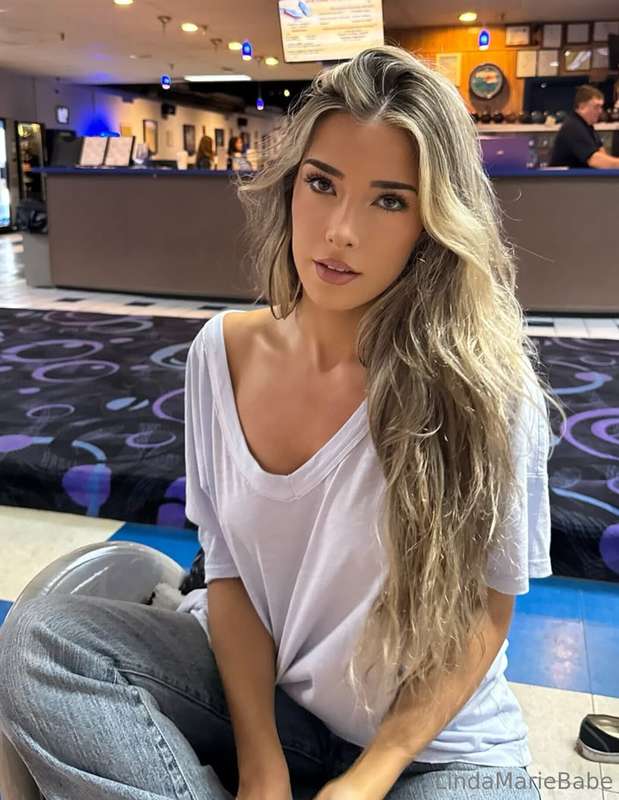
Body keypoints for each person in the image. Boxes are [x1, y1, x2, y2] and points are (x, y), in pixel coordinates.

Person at [0, 45, 565, 800]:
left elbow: (485, 616)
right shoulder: (220, 354)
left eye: (389, 201)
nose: (340, 231)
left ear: (432, 222)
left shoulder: (484, 387)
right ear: (290, 185)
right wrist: (261, 761)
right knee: (39, 642)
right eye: (322, 184)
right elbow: (228, 572)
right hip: (277, 704)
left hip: (434, 747)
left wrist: (370, 776)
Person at [549, 84, 619, 168]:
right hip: (565, 176)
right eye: (596, 107)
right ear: (582, 107)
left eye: (601, 107)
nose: (600, 111)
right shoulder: (573, 127)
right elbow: (594, 160)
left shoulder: (588, 127)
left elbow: (601, 154)